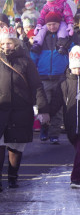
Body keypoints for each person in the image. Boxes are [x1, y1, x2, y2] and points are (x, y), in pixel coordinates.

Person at [0, 30, 49, 192]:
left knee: (15, 145)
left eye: (9, 43)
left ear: (16, 44)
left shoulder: (26, 62)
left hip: (21, 110)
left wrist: (43, 108)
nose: (5, 46)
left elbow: (36, 86)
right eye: (2, 44)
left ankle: (12, 177)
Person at [31, 10, 70, 144]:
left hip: (61, 78)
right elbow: (34, 56)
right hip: (43, 77)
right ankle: (44, 128)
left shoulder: (65, 38)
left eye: (54, 24)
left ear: (60, 24)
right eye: (49, 24)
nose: (52, 27)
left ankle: (54, 134)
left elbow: (73, 53)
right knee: (44, 106)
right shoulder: (42, 38)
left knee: (58, 108)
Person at [63, 46, 80, 189]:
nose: (78, 71)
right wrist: (45, 111)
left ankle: (75, 179)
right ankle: (76, 178)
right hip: (72, 124)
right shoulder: (66, 83)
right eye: (75, 68)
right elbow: (57, 100)